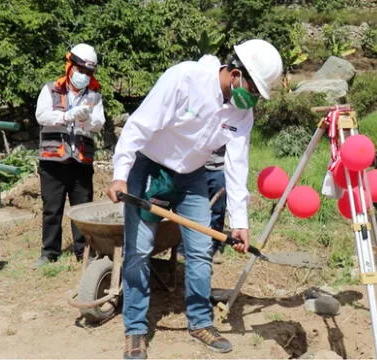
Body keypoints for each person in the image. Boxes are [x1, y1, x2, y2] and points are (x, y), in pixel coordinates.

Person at [106, 39, 283, 359]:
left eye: (258, 94)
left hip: (191, 178)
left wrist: (239, 222)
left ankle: (200, 322)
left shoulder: (243, 113)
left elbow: (237, 164)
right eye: (253, 88)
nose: (253, 97)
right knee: (139, 251)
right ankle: (135, 329)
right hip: (149, 168)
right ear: (235, 72)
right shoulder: (184, 78)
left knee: (201, 251)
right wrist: (121, 174)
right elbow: (139, 126)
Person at [34, 43, 105, 268]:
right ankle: (49, 253)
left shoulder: (94, 95)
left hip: (81, 161)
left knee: (82, 209)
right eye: (81, 70)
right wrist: (67, 116)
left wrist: (86, 119)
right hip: (53, 161)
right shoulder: (51, 89)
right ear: (70, 66)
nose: (84, 75)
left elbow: (99, 123)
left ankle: (83, 252)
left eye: (88, 72)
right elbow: (41, 115)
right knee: (52, 208)